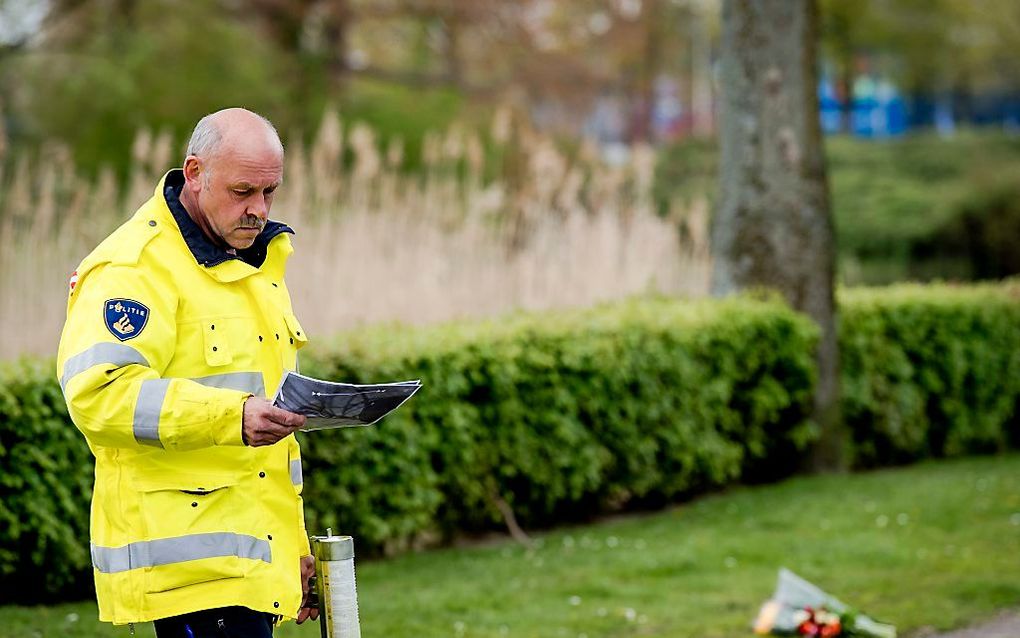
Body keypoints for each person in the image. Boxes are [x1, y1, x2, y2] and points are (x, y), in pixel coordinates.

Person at [56, 108, 319, 637]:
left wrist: (292, 547)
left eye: (270, 192)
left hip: (245, 567)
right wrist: (232, 417)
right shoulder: (134, 268)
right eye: (243, 190)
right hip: (184, 572)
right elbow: (98, 396)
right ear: (194, 172)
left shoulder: (253, 264)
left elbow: (266, 448)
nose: (259, 210)